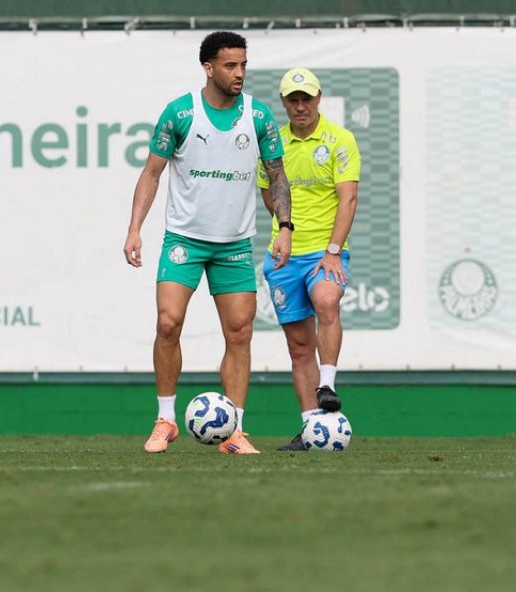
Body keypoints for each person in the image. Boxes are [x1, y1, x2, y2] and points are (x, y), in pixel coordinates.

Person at [124, 31, 293, 455]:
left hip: (234, 244)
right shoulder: (180, 114)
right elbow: (151, 173)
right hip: (185, 239)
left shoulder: (258, 117)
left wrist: (285, 227)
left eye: (243, 65)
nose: (239, 73)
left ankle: (234, 431)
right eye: (230, 66)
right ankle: (165, 419)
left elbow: (276, 175)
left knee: (240, 333)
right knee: (168, 322)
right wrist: (134, 229)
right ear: (209, 68)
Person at [256, 67, 361, 451]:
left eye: (307, 98)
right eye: (293, 100)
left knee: (327, 299)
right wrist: (285, 228)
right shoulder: (273, 143)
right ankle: (310, 429)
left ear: (319, 98)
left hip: (325, 251)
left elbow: (348, 198)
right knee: (299, 347)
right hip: (284, 256)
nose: (300, 106)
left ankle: (328, 385)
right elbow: (269, 196)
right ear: (283, 102)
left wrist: (333, 250)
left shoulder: (339, 139)